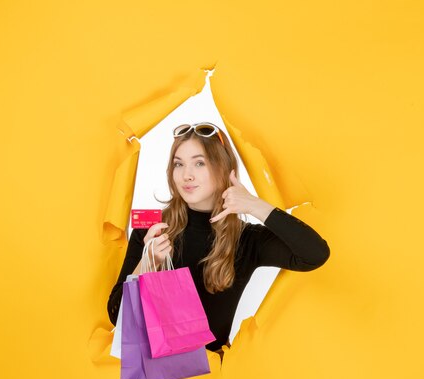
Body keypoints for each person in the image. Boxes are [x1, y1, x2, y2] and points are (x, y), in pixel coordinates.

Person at [107, 122, 330, 361]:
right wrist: (148, 265)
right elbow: (115, 314)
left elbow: (314, 254)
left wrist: (254, 205)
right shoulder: (153, 231)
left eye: (199, 163)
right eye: (178, 164)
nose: (186, 175)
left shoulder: (247, 239)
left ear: (223, 168)